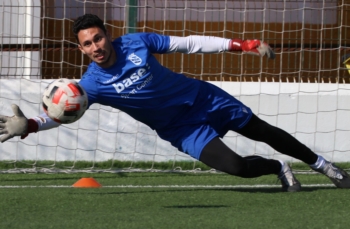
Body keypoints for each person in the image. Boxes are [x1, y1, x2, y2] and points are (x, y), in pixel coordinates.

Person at [0, 14, 349, 192]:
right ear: (81, 50)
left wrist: (241, 45)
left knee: (265, 131)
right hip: (180, 129)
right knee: (237, 168)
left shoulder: (137, 43)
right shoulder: (89, 85)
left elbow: (190, 44)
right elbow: (63, 114)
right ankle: (278, 169)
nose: (96, 47)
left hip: (203, 99)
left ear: (108, 35)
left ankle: (327, 167)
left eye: (99, 38)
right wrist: (30, 125)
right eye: (88, 44)